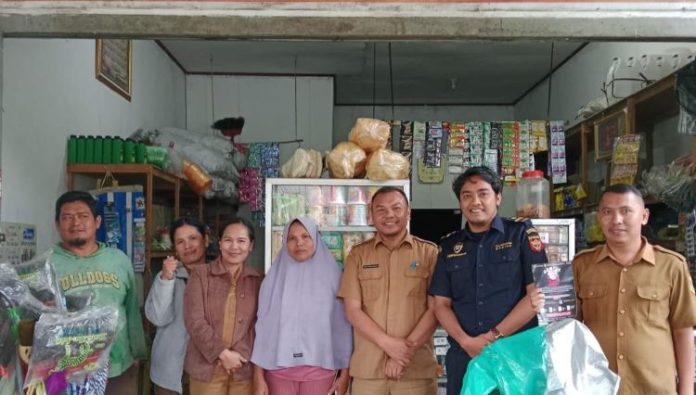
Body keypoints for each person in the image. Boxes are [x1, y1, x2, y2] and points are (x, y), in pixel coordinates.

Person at [564, 184, 696, 394]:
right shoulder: (581, 266)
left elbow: (683, 331)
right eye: (608, 212)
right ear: (599, 217)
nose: (616, 220)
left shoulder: (672, 266)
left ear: (644, 216)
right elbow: (569, 329)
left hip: (654, 387)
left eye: (626, 211)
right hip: (597, 386)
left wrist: (687, 390)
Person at [428, 166, 547, 395]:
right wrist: (466, 342)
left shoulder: (521, 233)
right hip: (465, 357)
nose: (475, 202)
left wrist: (492, 338)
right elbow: (440, 305)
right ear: (460, 203)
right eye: (467, 196)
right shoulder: (449, 245)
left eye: (483, 193)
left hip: (514, 356)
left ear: (498, 197)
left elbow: (536, 297)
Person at [338, 186, 439, 395]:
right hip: (369, 372)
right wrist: (390, 346)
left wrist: (404, 353)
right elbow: (352, 311)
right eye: (381, 210)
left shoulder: (429, 254)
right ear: (371, 216)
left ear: (408, 212)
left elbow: (436, 310)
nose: (389, 215)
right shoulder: (358, 256)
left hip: (415, 372)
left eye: (396, 208)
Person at [53, 190, 148, 394]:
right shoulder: (48, 264)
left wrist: (138, 352)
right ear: (57, 224)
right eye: (67, 217)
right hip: (69, 371)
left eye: (83, 216)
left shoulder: (118, 260)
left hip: (118, 365)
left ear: (97, 222)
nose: (75, 223)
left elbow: (132, 309)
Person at [251, 217, 352, 395]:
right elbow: (263, 329)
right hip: (278, 372)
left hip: (321, 372)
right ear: (285, 242)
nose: (299, 243)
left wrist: (345, 374)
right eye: (292, 238)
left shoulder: (335, 280)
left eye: (306, 236)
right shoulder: (273, 281)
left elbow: (343, 329)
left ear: (316, 238)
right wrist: (258, 376)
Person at [184, 217, 262, 395]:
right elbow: (194, 321)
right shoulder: (200, 275)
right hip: (206, 369)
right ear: (219, 243)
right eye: (228, 240)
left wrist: (238, 356)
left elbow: (259, 323)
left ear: (250, 246)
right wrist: (223, 354)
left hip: (242, 368)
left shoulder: (258, 279)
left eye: (241, 241)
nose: (234, 247)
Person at [145, 217, 208, 395]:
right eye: (180, 241)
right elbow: (159, 318)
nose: (187, 245)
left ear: (206, 239)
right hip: (170, 371)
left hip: (206, 372)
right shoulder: (167, 277)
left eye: (193, 238)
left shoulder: (217, 277)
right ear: (175, 248)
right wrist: (166, 279)